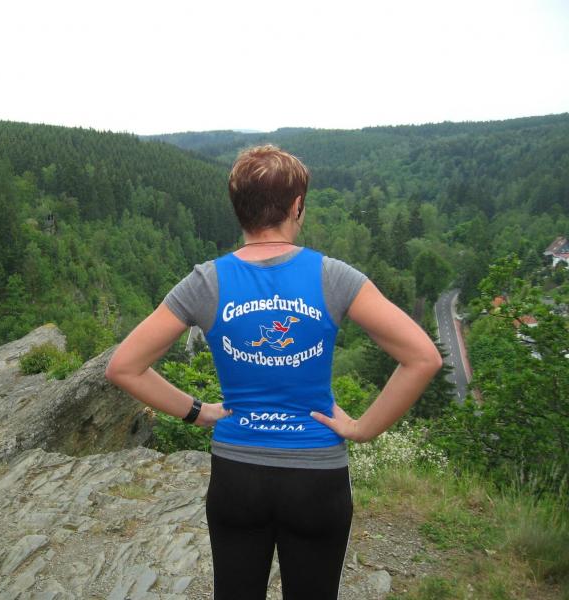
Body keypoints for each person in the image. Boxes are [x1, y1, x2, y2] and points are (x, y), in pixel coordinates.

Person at [106, 145, 442, 599]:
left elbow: (124, 366)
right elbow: (422, 357)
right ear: (297, 206)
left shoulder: (206, 282)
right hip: (317, 476)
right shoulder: (333, 277)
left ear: (238, 209)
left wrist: (198, 412)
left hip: (237, 474)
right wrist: (362, 429)